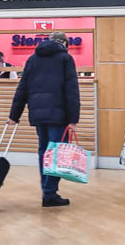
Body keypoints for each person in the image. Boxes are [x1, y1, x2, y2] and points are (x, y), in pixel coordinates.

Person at [8, 31, 80, 207]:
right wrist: (73, 118)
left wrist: (14, 115)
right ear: (64, 43)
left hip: (38, 113)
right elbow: (71, 90)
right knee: (56, 152)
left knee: (44, 151)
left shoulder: (33, 59)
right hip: (58, 113)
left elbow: (22, 88)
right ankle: (49, 193)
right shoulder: (65, 58)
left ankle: (47, 190)